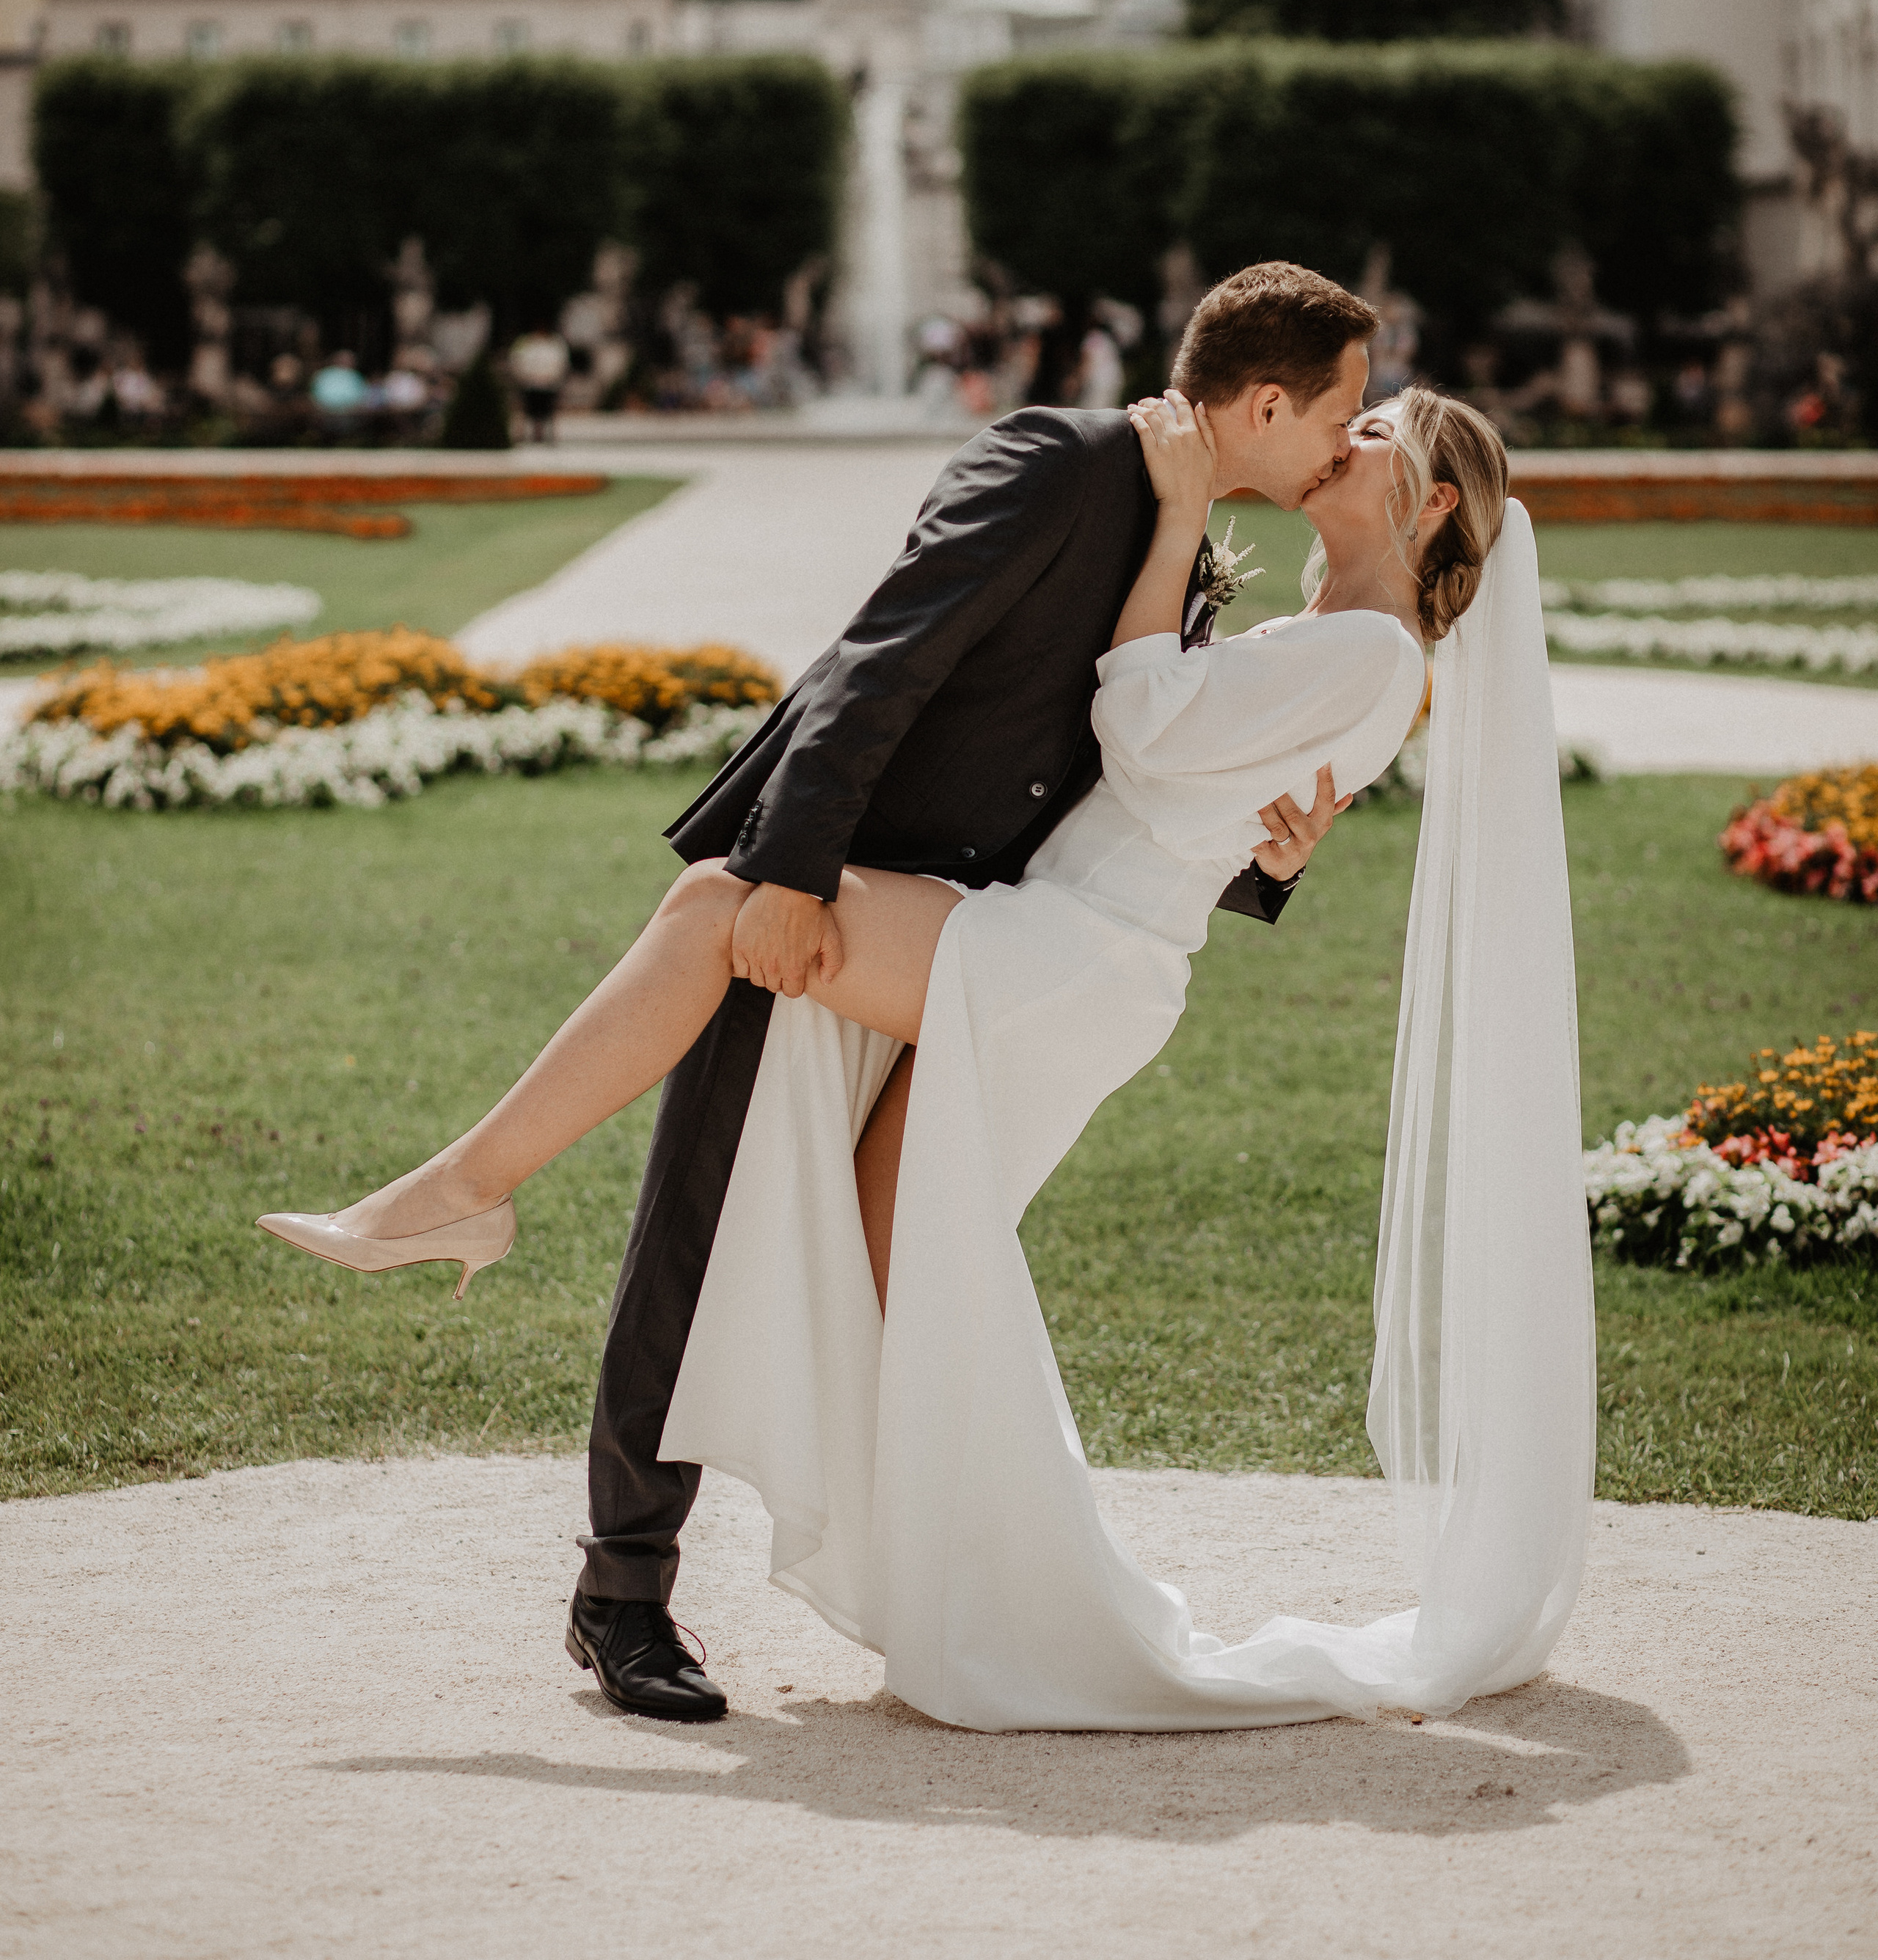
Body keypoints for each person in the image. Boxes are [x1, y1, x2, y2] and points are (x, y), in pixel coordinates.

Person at [258, 365, 1592, 1731]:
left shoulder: (1371, 652)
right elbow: (1153, 772)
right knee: (897, 1257)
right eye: (1341, 410)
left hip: (1071, 956)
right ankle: (993, 1595)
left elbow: (1138, 734)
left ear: (1428, 504)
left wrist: (1186, 530)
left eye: (1373, 433)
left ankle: (469, 1188)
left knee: (723, 909)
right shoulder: (1318, 625)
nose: (1339, 441)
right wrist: (1265, 842)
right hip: (1057, 938)